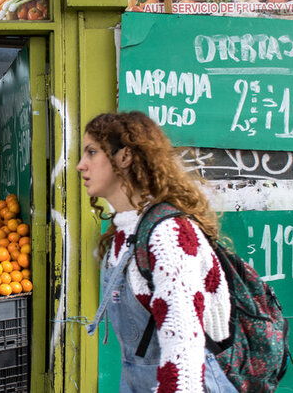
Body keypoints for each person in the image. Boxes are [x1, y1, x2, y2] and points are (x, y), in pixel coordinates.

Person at [78, 112, 235, 393]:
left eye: (91, 152)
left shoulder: (168, 235)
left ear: (124, 157)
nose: (80, 165)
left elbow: (185, 351)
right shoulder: (123, 232)